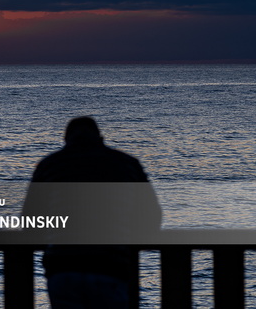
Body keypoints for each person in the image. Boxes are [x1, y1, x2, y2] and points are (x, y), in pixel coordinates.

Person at [23, 116, 161, 309]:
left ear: (66, 139)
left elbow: (30, 220)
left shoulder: (49, 165)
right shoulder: (127, 164)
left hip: (64, 269)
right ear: (100, 137)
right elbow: (151, 214)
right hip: (111, 267)